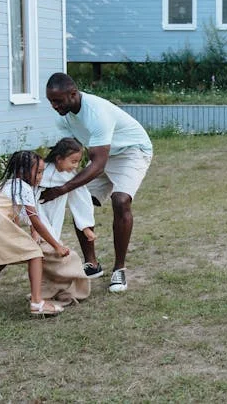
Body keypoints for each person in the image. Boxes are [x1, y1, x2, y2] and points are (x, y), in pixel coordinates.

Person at [42, 72, 153, 293]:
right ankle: (91, 264)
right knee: (79, 200)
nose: (54, 106)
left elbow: (98, 164)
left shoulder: (96, 112)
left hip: (131, 151)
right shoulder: (62, 116)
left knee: (121, 201)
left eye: (58, 101)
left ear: (73, 94)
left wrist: (63, 188)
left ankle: (119, 270)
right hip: (102, 155)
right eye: (51, 101)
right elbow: (68, 152)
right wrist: (41, 175)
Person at [0, 150, 69, 317]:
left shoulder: (8, 186)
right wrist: (57, 246)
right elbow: (35, 220)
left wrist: (33, 236)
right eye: (39, 172)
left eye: (43, 172)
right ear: (22, 171)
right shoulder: (23, 187)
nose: (41, 176)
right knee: (35, 254)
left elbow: (20, 218)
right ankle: (37, 302)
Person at [34, 137, 95, 305]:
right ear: (59, 158)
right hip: (39, 220)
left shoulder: (69, 176)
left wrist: (85, 226)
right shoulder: (41, 174)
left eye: (78, 162)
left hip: (55, 221)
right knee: (57, 256)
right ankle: (70, 288)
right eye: (73, 161)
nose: (75, 166)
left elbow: (80, 198)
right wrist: (34, 228)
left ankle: (50, 290)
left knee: (49, 257)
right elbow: (29, 199)